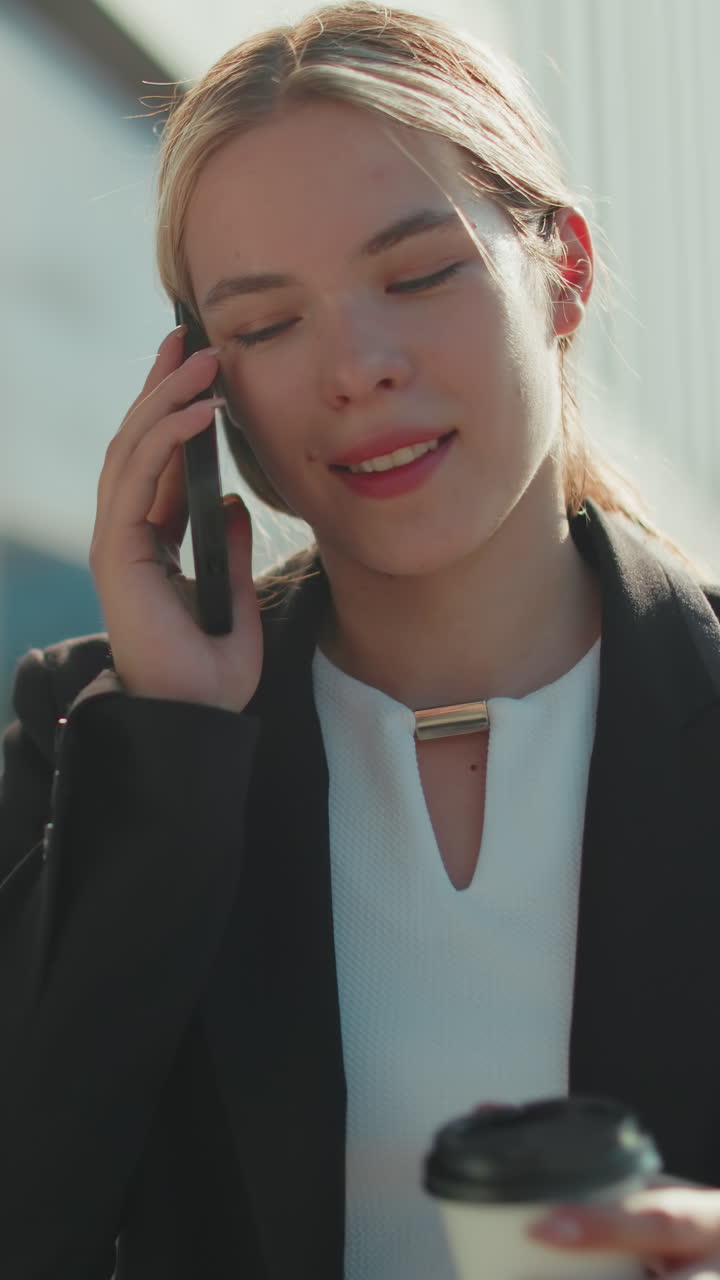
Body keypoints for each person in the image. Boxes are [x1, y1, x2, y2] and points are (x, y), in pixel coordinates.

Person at [1, 3, 719, 1277]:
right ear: (196, 386)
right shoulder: (93, 750)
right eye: (268, 325)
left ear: (564, 271)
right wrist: (172, 754)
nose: (358, 366)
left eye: (419, 272)